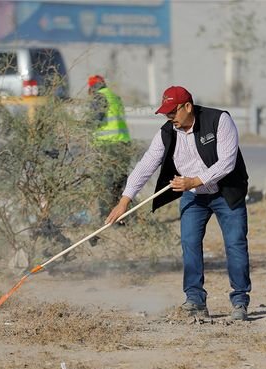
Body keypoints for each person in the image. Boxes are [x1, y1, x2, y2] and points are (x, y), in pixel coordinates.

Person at [106, 86, 252, 321]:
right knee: (189, 242)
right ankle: (194, 299)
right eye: (166, 113)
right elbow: (146, 165)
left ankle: (240, 300)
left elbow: (227, 161)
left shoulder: (219, 120)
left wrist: (195, 180)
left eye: (173, 112)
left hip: (226, 192)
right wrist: (125, 199)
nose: (169, 117)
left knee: (235, 243)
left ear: (187, 107)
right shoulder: (167, 132)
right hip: (193, 196)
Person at [87, 74, 132, 220]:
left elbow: (95, 120)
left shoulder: (99, 97)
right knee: (119, 183)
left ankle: (106, 218)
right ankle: (124, 217)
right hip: (123, 145)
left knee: (104, 184)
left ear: (91, 88)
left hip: (109, 147)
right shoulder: (114, 97)